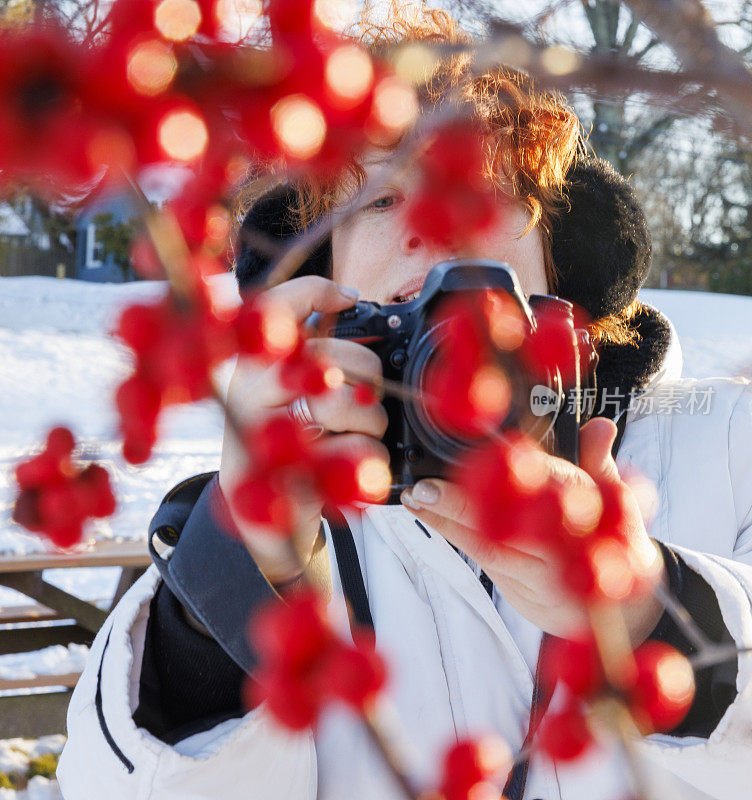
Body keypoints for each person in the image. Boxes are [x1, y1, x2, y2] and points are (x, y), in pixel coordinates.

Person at [57, 11, 752, 800]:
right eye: (380, 202)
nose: (436, 229)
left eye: (483, 189)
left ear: (555, 253)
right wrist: (239, 568)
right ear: (326, 273)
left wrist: (647, 612)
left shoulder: (727, 446)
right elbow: (110, 785)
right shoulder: (291, 510)